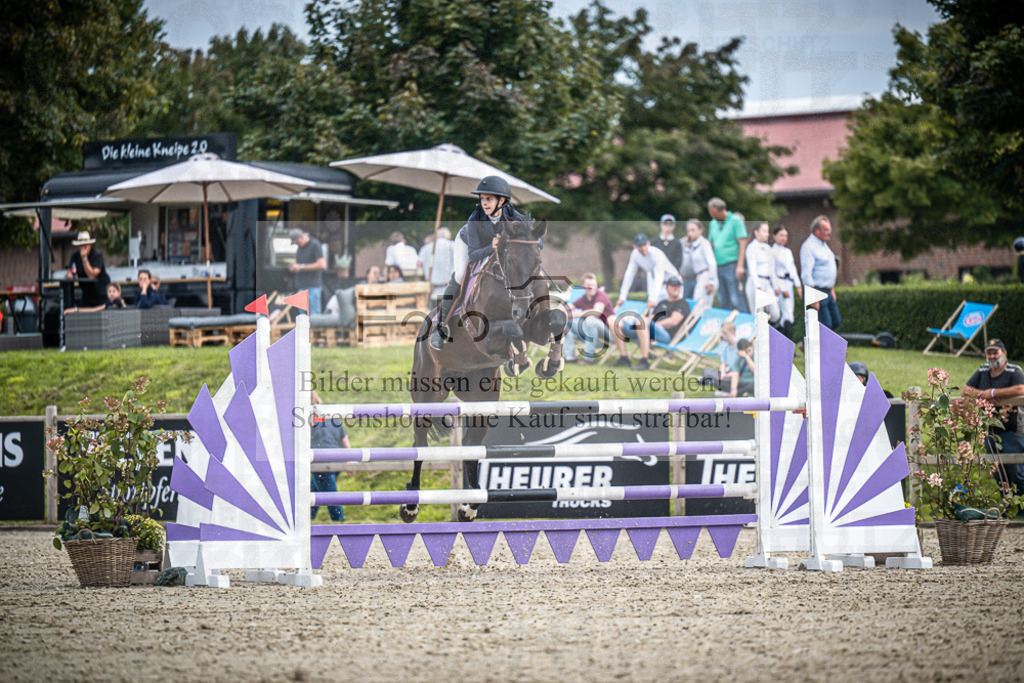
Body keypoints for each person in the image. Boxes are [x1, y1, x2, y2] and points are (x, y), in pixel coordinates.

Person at [430, 175, 527, 350]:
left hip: (494, 247)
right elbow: (474, 255)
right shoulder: (475, 219)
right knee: (460, 275)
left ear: (502, 200)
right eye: (482, 199)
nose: (484, 203)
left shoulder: (513, 215)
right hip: (468, 244)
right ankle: (440, 326)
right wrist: (492, 248)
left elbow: (533, 238)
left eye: (489, 199)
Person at [961, 339, 1024, 504]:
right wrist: (984, 395)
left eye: (995, 352)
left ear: (1004, 354)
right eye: (989, 352)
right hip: (990, 431)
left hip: (1012, 430)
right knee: (997, 472)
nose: (991, 356)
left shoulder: (1014, 370)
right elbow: (965, 390)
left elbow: (1021, 389)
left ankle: (1022, 509)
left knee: (1017, 471)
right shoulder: (982, 370)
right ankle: (1007, 507)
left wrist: (995, 393)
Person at [617, 275, 691, 371]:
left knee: (642, 321)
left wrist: (653, 324)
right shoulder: (661, 303)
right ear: (667, 288)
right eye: (673, 285)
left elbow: (673, 321)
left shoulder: (682, 303)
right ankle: (624, 357)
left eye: (678, 285)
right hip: (649, 331)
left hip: (666, 335)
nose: (676, 288)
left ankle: (644, 360)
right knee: (615, 320)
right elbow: (651, 317)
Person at [614, 233, 681, 316]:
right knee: (653, 312)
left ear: (648, 243)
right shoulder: (635, 255)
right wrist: (622, 297)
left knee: (674, 309)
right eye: (639, 246)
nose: (643, 248)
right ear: (635, 246)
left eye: (644, 245)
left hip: (673, 282)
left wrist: (652, 298)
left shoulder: (657, 254)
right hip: (655, 281)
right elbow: (629, 275)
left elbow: (659, 277)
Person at [309, 391, 350, 522]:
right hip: (338, 460)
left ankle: (339, 523)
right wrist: (350, 460)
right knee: (314, 491)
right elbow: (345, 439)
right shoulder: (331, 415)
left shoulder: (305, 416)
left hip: (321, 463)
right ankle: (308, 518)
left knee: (330, 496)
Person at [706, 197, 748, 312]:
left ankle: (745, 325)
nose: (713, 217)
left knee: (736, 299)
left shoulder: (736, 221)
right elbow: (710, 243)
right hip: (717, 266)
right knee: (723, 299)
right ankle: (728, 327)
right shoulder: (713, 223)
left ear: (721, 210)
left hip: (732, 265)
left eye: (714, 214)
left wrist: (740, 266)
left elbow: (742, 243)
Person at [799, 215, 841, 331]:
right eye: (826, 230)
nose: (829, 233)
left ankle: (805, 344)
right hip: (817, 291)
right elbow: (806, 274)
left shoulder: (824, 246)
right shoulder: (808, 247)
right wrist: (812, 297)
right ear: (817, 231)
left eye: (829, 230)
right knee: (825, 325)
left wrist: (831, 289)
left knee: (836, 321)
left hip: (827, 291)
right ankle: (813, 346)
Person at [562, 273, 614, 364]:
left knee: (590, 320)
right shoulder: (584, 298)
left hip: (609, 334)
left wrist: (575, 314)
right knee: (565, 321)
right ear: (584, 287)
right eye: (589, 285)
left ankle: (589, 359)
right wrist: (559, 311)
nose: (592, 287)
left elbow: (596, 312)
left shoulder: (601, 295)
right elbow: (568, 307)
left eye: (594, 285)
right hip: (591, 334)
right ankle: (570, 356)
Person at [744, 222, 781, 324]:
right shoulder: (751, 248)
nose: (767, 234)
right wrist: (758, 286)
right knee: (757, 313)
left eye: (767, 231)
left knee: (775, 313)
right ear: (756, 232)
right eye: (764, 231)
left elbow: (772, 269)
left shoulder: (768, 248)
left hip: (767, 282)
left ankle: (770, 331)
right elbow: (752, 269)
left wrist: (776, 286)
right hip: (755, 283)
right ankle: (758, 337)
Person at [771, 225, 802, 338]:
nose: (784, 238)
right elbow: (772, 271)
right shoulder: (772, 251)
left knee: (789, 315)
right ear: (774, 236)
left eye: (785, 236)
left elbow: (792, 269)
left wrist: (798, 285)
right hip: (780, 282)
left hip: (789, 282)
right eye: (781, 235)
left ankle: (785, 345)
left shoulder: (787, 251)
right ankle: (786, 346)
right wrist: (779, 288)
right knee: (786, 314)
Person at [66, 230, 110, 308]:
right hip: (86, 293)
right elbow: (70, 270)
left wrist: (84, 259)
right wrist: (71, 275)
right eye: (80, 245)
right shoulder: (75, 256)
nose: (83, 248)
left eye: (85, 245)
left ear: (89, 245)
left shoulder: (97, 255)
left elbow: (92, 275)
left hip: (100, 293)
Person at [680, 218, 718, 309]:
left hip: (706, 275)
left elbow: (712, 263)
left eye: (693, 230)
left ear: (700, 231)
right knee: (697, 304)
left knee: (701, 305)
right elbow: (687, 264)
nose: (690, 233)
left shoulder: (704, 243)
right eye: (688, 231)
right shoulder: (693, 245)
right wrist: (687, 247)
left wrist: (711, 282)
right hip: (699, 276)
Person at [289, 227, 326, 314]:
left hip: (312, 287)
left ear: (302, 237)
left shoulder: (315, 245)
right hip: (301, 287)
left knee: (314, 316)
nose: (297, 245)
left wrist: (301, 267)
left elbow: (322, 264)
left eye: (297, 242)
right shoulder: (300, 248)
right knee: (302, 318)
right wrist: (295, 268)